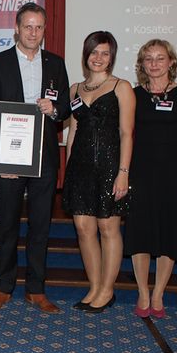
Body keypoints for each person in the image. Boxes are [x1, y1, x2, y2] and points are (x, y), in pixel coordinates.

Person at [0, 2, 70, 314]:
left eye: (39, 27)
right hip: (10, 158)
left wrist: (54, 109)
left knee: (40, 226)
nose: (33, 32)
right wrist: (0, 161)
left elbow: (66, 109)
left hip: (44, 157)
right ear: (16, 29)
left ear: (45, 30)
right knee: (7, 225)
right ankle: (3, 288)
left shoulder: (56, 64)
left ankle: (36, 290)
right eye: (28, 26)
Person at [124, 39, 177, 319]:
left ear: (171, 62)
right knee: (140, 233)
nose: (154, 63)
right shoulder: (132, 95)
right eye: (148, 58)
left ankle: (158, 294)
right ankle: (143, 292)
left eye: (160, 58)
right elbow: (126, 135)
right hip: (140, 173)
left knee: (170, 234)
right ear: (142, 64)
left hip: (174, 174)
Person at [62, 31, 135, 313]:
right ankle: (94, 287)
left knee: (108, 227)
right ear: (86, 54)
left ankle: (107, 290)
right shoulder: (75, 89)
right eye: (94, 52)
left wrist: (123, 172)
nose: (98, 58)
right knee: (83, 228)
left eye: (105, 53)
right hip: (80, 168)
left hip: (110, 166)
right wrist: (68, 168)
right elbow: (73, 131)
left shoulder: (122, 87)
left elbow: (127, 133)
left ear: (112, 57)